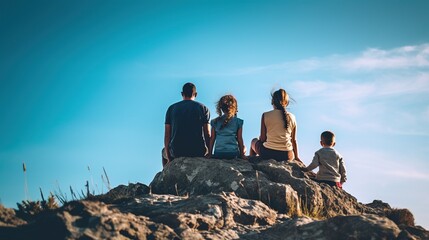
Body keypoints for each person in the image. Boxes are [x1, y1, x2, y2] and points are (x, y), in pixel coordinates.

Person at [163, 83, 211, 167]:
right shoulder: (203, 108)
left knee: (163, 151)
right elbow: (207, 134)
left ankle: (165, 171)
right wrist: (210, 152)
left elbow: (167, 135)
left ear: (182, 94)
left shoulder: (171, 108)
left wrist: (169, 157)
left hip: (177, 151)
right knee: (204, 148)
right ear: (195, 94)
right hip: (197, 150)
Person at [250, 88, 301, 162]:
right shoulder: (292, 117)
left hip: (268, 153)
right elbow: (294, 140)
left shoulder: (265, 115)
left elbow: (263, 139)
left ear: (272, 102)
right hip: (287, 155)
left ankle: (252, 162)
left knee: (254, 141)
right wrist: (296, 157)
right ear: (286, 103)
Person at [208, 95, 246, 159]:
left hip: (218, 153)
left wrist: (209, 154)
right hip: (233, 154)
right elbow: (239, 139)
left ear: (221, 108)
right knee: (244, 147)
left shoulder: (214, 121)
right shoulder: (238, 122)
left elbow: (212, 138)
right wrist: (242, 155)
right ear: (234, 107)